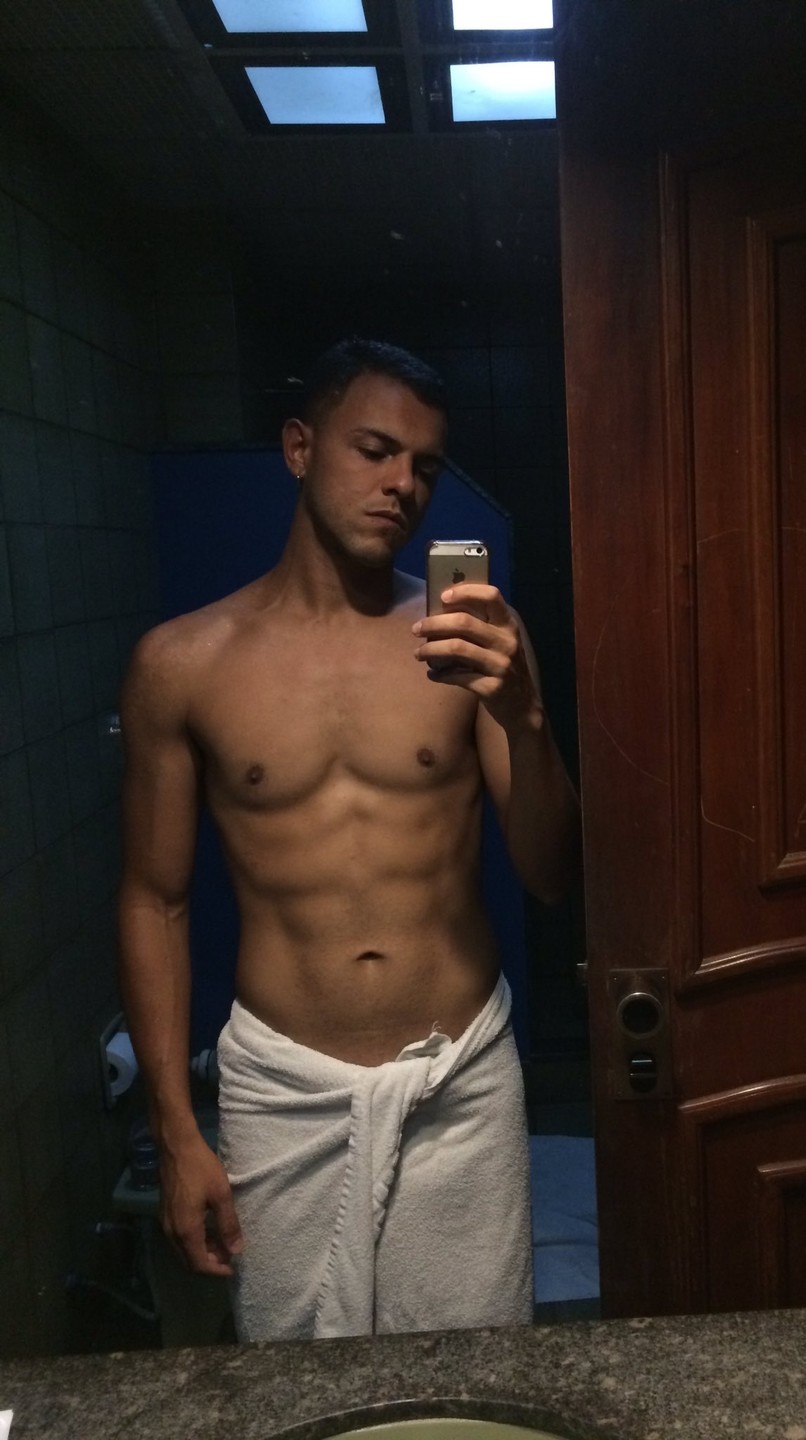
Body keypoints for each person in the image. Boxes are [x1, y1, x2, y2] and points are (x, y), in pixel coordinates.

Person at [117, 337, 580, 1341]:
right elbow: (155, 899)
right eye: (374, 450)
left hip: (457, 1079)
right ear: (299, 447)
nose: (402, 484)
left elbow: (549, 874)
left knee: (472, 1380)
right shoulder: (184, 663)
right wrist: (175, 1129)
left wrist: (529, 719)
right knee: (298, 1393)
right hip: (283, 1091)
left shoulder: (476, 642)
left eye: (424, 466)